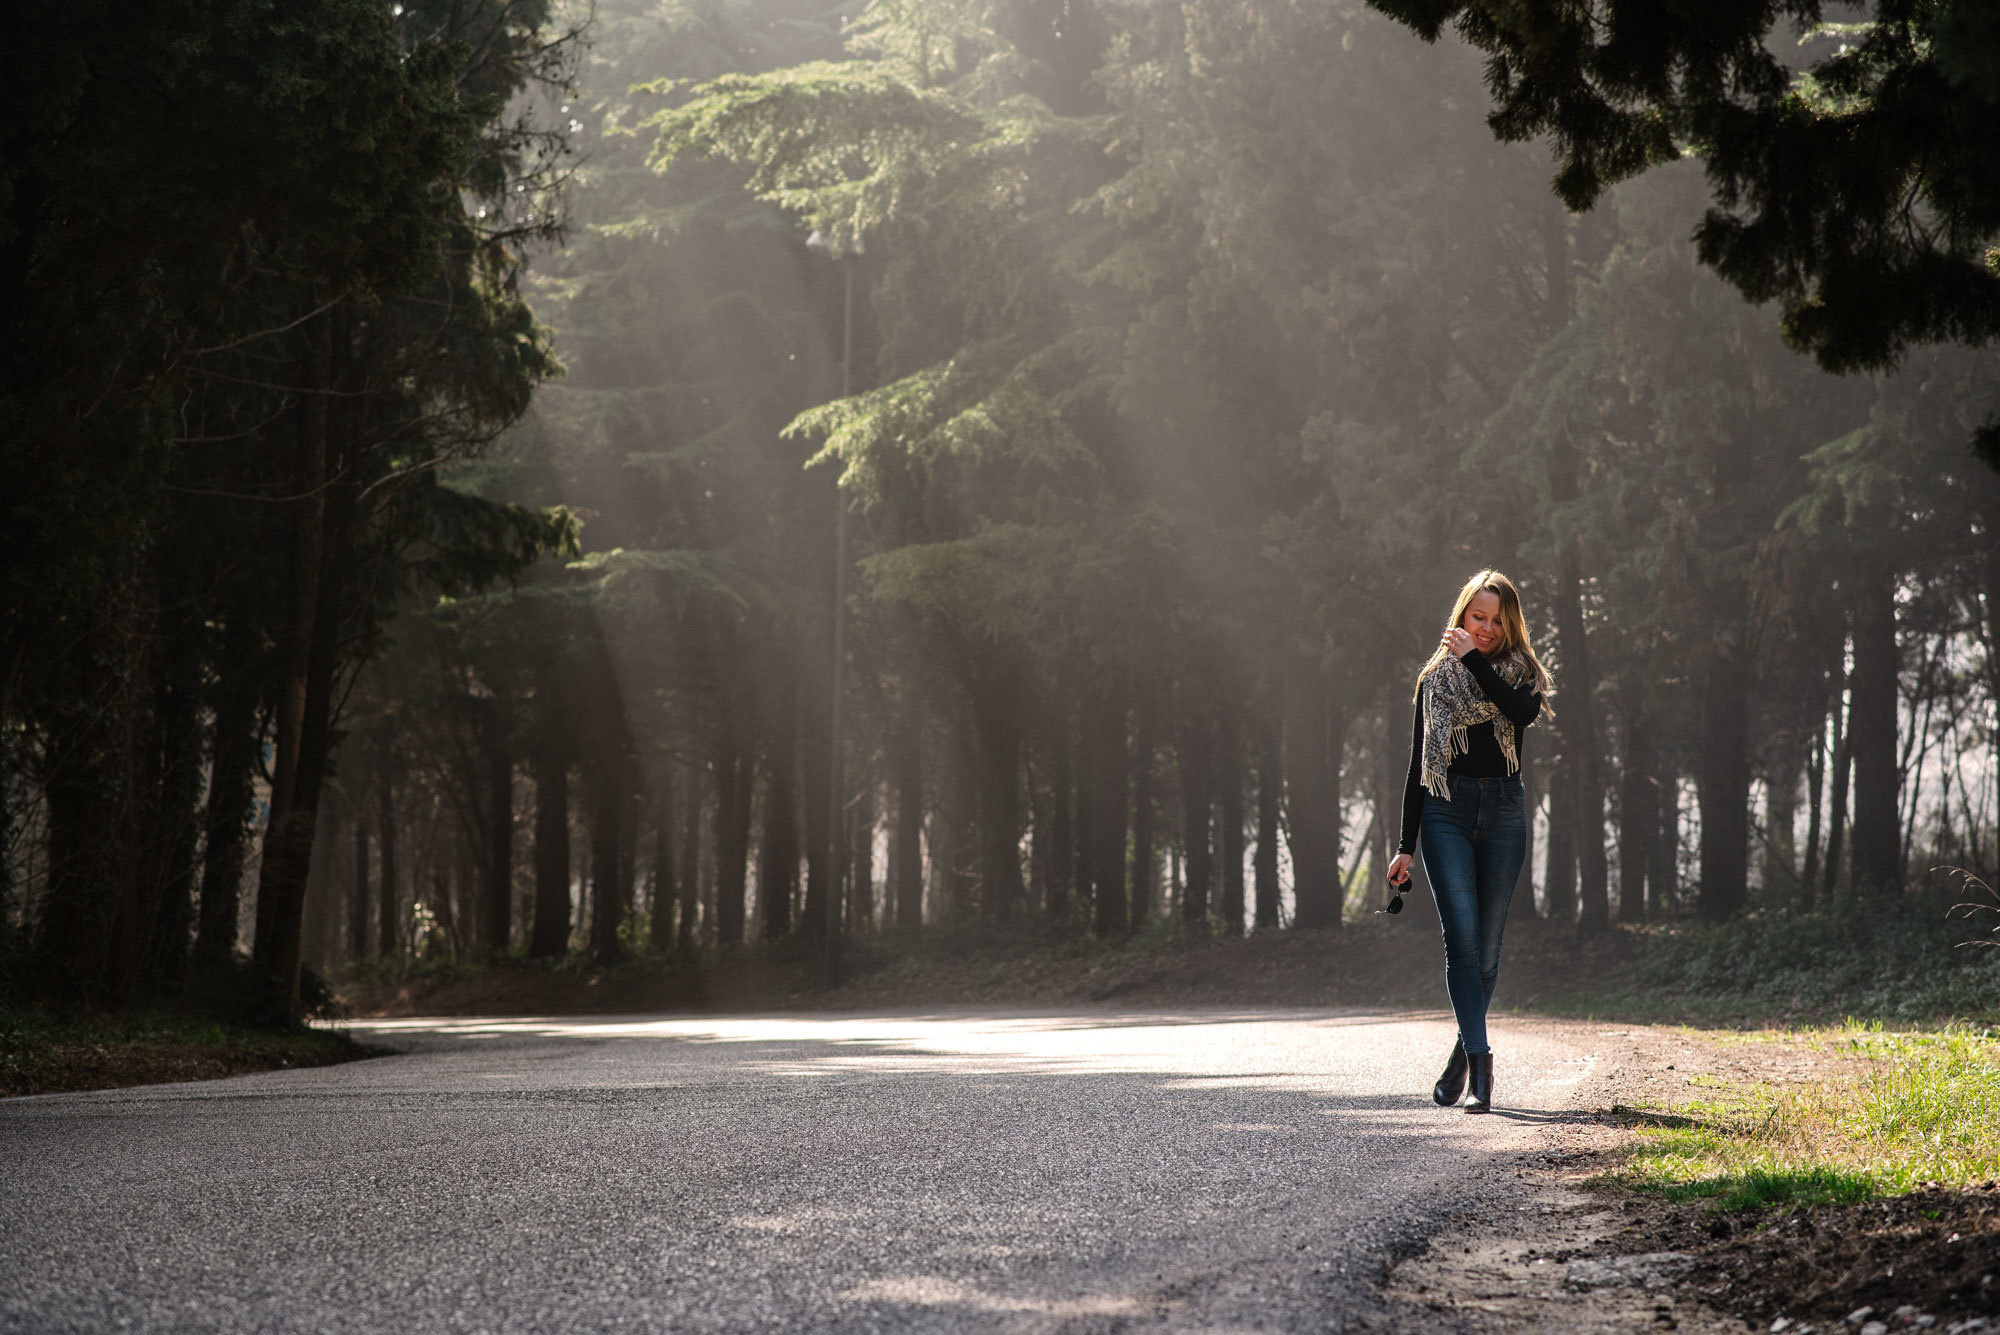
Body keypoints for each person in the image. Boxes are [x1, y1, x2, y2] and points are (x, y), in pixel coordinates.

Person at [1385, 570, 1555, 1114]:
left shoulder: (1519, 672)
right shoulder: (1434, 679)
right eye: (1477, 617)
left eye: (1496, 621)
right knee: (1461, 941)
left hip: (1503, 810)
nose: (1484, 628)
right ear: (1461, 615)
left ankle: (1462, 1054)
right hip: (1444, 812)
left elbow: (1521, 713)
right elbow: (1418, 764)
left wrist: (1475, 663)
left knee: (1487, 947)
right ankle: (1483, 1070)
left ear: (1510, 626)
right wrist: (1404, 844)